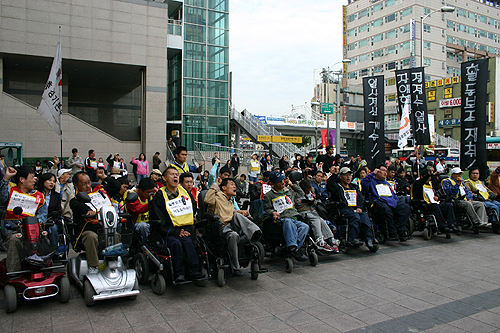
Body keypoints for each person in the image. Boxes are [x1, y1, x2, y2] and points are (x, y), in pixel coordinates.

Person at [149, 167, 205, 282]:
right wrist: (176, 231)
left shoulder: (184, 192)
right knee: (176, 244)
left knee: (188, 241)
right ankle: (179, 273)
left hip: (185, 228)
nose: (175, 176)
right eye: (172, 174)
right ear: (164, 178)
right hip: (167, 231)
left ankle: (194, 271)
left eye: (176, 174)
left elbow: (192, 207)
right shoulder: (160, 195)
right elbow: (159, 218)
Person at [205, 177, 262, 274]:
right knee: (234, 235)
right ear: (224, 188)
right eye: (231, 184)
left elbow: (230, 213)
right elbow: (207, 200)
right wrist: (215, 185)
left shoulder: (230, 200)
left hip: (232, 224)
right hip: (221, 227)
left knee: (237, 215)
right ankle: (235, 265)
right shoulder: (218, 196)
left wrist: (239, 211)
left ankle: (253, 232)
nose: (235, 186)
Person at [0, 166, 47, 272]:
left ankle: (42, 270)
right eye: (31, 177)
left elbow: (43, 215)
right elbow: (1, 199)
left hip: (34, 231)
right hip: (14, 230)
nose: (34, 179)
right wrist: (6, 178)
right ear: (22, 180)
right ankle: (13, 273)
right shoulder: (11, 191)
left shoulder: (39, 196)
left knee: (45, 238)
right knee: (14, 240)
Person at [70, 171, 113, 274]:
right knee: (91, 236)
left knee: (115, 234)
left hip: (103, 228)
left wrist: (105, 177)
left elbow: (116, 187)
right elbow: (80, 207)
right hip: (87, 231)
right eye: (84, 184)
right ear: (76, 185)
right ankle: (93, 266)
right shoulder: (75, 200)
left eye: (89, 182)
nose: (88, 186)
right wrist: (88, 211)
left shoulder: (99, 195)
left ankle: (113, 262)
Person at [263, 171, 309, 261]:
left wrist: (291, 184)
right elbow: (267, 208)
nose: (282, 182)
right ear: (273, 183)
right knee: (288, 222)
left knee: (305, 227)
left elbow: (301, 194)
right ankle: (292, 248)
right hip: (282, 219)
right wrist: (273, 212)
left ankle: (289, 248)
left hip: (294, 216)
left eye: (282, 180)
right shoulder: (269, 195)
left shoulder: (289, 191)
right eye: (279, 181)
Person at [328, 167, 376, 250]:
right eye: (346, 175)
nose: (348, 177)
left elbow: (360, 198)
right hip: (344, 209)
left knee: (364, 217)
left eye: (349, 175)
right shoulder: (338, 187)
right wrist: (334, 174)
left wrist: (360, 207)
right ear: (341, 176)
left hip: (355, 209)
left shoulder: (354, 187)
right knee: (355, 217)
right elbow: (330, 185)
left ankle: (369, 239)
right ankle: (352, 239)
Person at [361, 165, 410, 242]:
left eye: (386, 171)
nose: (385, 173)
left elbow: (393, 194)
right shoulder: (371, 181)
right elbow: (363, 182)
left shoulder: (387, 183)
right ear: (377, 171)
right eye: (383, 171)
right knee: (386, 210)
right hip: (379, 203)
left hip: (391, 202)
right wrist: (372, 174)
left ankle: (400, 230)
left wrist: (396, 201)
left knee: (405, 207)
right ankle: (392, 232)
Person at [412, 169, 459, 234]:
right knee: (435, 206)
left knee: (448, 205)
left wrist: (437, 197)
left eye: (429, 177)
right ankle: (442, 226)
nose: (429, 178)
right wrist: (429, 174)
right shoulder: (417, 184)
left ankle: (452, 224)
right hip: (424, 205)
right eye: (427, 177)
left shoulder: (431, 185)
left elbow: (437, 191)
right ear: (422, 177)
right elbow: (422, 182)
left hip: (434, 203)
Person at [296, 179, 336, 252]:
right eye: (307, 191)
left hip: (312, 210)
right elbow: (294, 203)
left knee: (321, 220)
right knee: (316, 219)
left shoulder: (312, 191)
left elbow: (315, 201)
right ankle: (319, 240)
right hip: (302, 212)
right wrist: (302, 201)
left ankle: (330, 238)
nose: (309, 192)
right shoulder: (296, 192)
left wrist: (312, 202)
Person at [126, 178, 155, 246]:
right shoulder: (132, 197)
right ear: (140, 190)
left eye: (152, 192)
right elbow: (139, 209)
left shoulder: (152, 196)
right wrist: (152, 202)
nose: (150, 194)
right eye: (148, 192)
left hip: (151, 222)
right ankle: (146, 246)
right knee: (143, 226)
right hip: (137, 225)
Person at [36, 172, 61, 248]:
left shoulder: (56, 195)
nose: (52, 183)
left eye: (53, 181)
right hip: (36, 220)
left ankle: (54, 250)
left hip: (50, 220)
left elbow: (58, 210)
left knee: (53, 228)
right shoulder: (36, 194)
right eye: (49, 180)